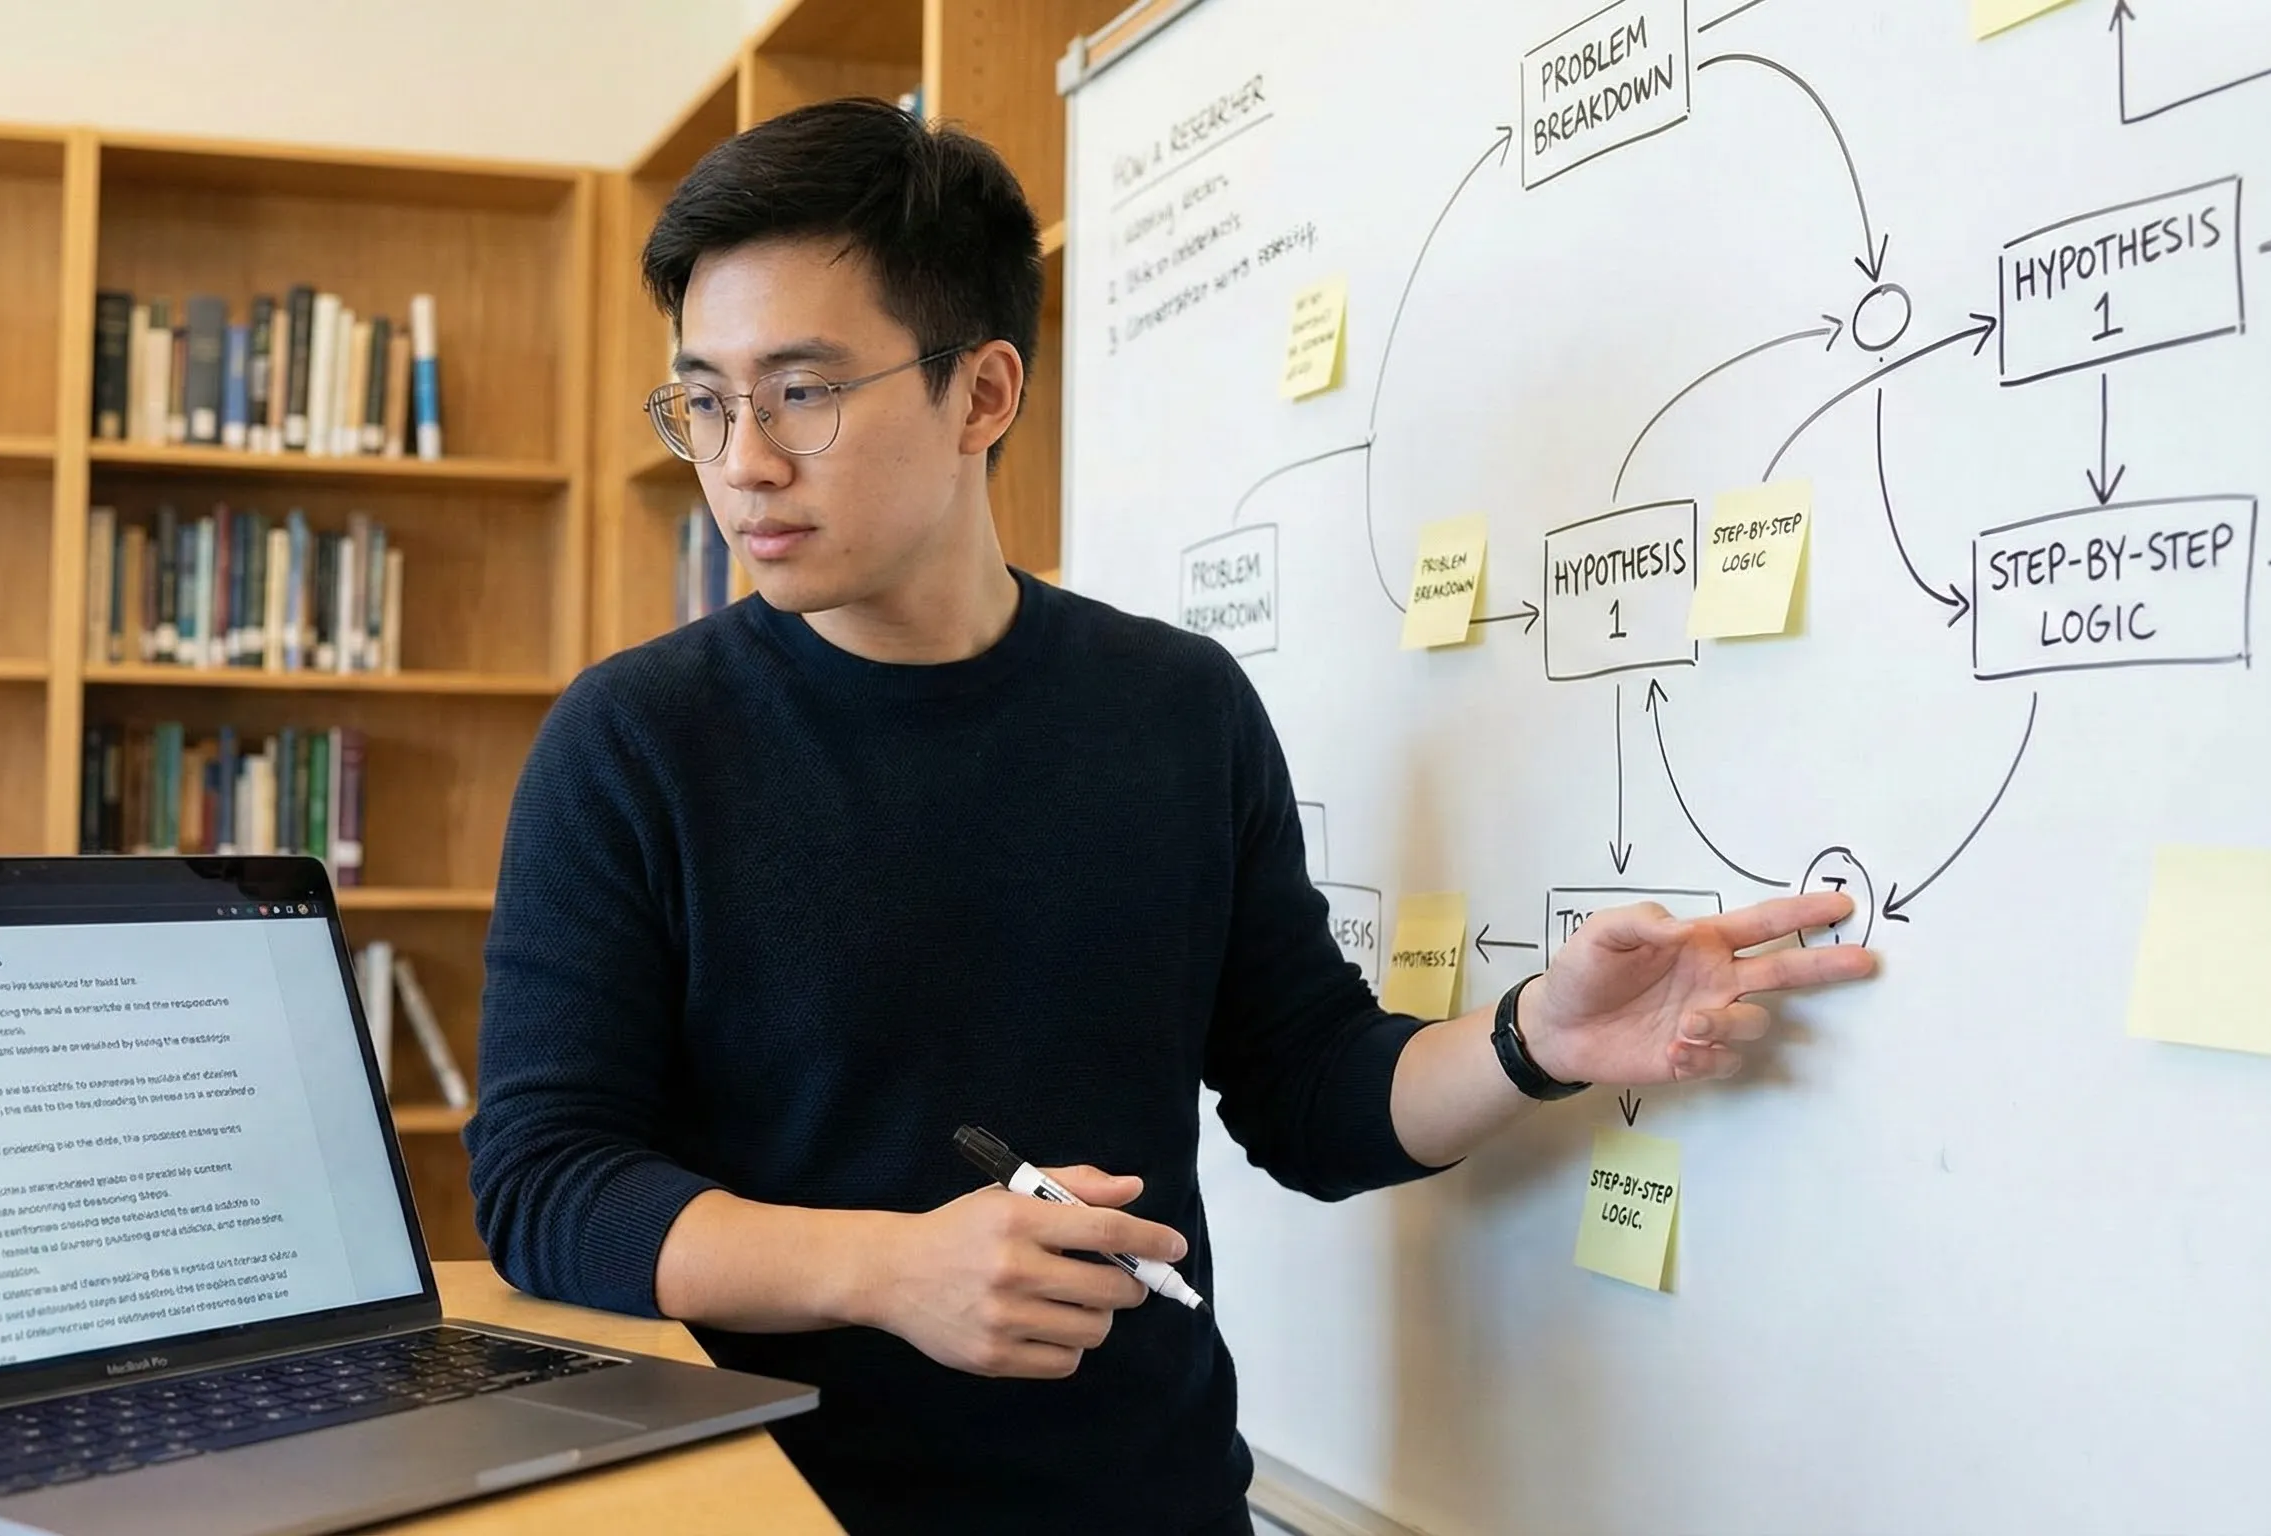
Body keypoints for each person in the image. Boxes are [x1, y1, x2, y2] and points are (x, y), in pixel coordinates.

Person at [462, 99, 1876, 1535]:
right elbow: (543, 1184)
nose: (742, 460)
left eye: (802, 392)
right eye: (704, 399)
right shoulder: (631, 741)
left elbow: (1312, 1095)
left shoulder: (1174, 709)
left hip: (1148, 1499)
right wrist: (889, 1270)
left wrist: (1534, 1042)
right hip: (768, 1508)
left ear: (985, 394)